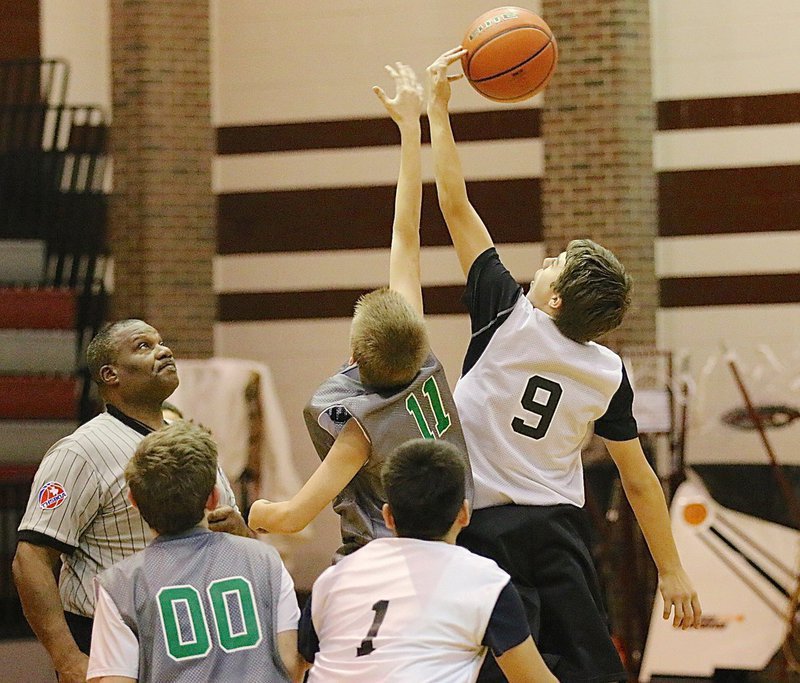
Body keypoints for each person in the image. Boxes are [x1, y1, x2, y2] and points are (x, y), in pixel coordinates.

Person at [425, 48, 701, 682]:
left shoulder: (508, 316)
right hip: (560, 537)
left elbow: (456, 205)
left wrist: (439, 109)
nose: (540, 267)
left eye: (551, 266)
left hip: (484, 534)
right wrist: (673, 569)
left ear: (552, 298)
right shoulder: (608, 372)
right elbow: (638, 481)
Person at [248, 63, 473, 560]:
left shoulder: (359, 428)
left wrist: (250, 511)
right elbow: (407, 236)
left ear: (354, 355)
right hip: (458, 552)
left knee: (306, 631)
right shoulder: (425, 365)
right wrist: (412, 130)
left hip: (383, 561)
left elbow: (293, 516)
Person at [13, 319, 250, 683]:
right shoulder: (81, 451)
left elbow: (241, 547)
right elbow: (30, 560)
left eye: (161, 342)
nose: (164, 351)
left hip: (196, 640)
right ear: (111, 374)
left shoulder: (193, 444)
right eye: (143, 346)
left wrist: (239, 532)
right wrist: (68, 658)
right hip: (110, 643)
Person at [298, 438, 557, 683]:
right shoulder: (486, 582)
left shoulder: (333, 578)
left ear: (388, 517)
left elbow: (298, 665)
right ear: (464, 514)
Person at [86, 421, 303, 682]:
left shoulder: (120, 585)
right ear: (213, 498)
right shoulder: (265, 560)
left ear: (133, 500)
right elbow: (290, 663)